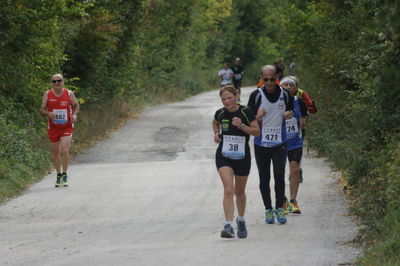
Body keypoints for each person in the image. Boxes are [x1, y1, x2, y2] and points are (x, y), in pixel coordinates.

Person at [247, 65, 294, 224]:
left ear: (277, 78)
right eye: (265, 79)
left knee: (279, 175)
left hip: (280, 142)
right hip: (261, 143)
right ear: (261, 78)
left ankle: (279, 208)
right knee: (264, 177)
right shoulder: (256, 95)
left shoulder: (286, 95)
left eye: (272, 79)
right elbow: (248, 118)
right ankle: (268, 209)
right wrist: (257, 116)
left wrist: (289, 114)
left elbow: (290, 110)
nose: (269, 82)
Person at [212, 85, 259, 238]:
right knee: (228, 189)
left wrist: (242, 126)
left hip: (242, 157)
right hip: (224, 155)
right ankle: (228, 225)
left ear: (236, 96)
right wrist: (217, 133)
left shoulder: (245, 112)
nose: (226, 102)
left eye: (229, 98)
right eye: (223, 99)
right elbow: (215, 122)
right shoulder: (220, 113)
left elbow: (257, 131)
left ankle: (241, 219)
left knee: (239, 192)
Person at [40, 74, 79, 187]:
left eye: (59, 81)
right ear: (51, 83)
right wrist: (48, 113)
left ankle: (65, 174)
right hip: (53, 127)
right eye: (54, 81)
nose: (57, 83)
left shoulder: (69, 93)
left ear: (63, 82)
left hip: (67, 126)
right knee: (56, 152)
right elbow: (41, 109)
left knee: (64, 150)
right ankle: (58, 175)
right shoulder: (47, 94)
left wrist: (75, 115)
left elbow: (76, 105)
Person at [280, 77, 309, 214]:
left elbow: (304, 115)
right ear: (280, 87)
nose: (287, 86)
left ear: (295, 88)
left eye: (290, 85)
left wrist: (303, 122)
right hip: (278, 142)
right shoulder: (275, 103)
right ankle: (281, 200)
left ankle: (293, 201)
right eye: (285, 84)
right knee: (278, 172)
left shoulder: (300, 102)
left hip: (295, 141)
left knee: (294, 169)